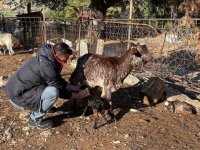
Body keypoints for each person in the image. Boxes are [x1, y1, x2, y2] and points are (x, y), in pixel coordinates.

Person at [5, 42, 90, 129]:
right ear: (58, 55)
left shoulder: (49, 56)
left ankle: (44, 106)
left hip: (18, 90)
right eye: (65, 59)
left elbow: (55, 79)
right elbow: (59, 89)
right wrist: (78, 95)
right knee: (53, 92)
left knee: (51, 87)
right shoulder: (47, 65)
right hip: (18, 98)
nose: (65, 62)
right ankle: (34, 119)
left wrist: (71, 87)